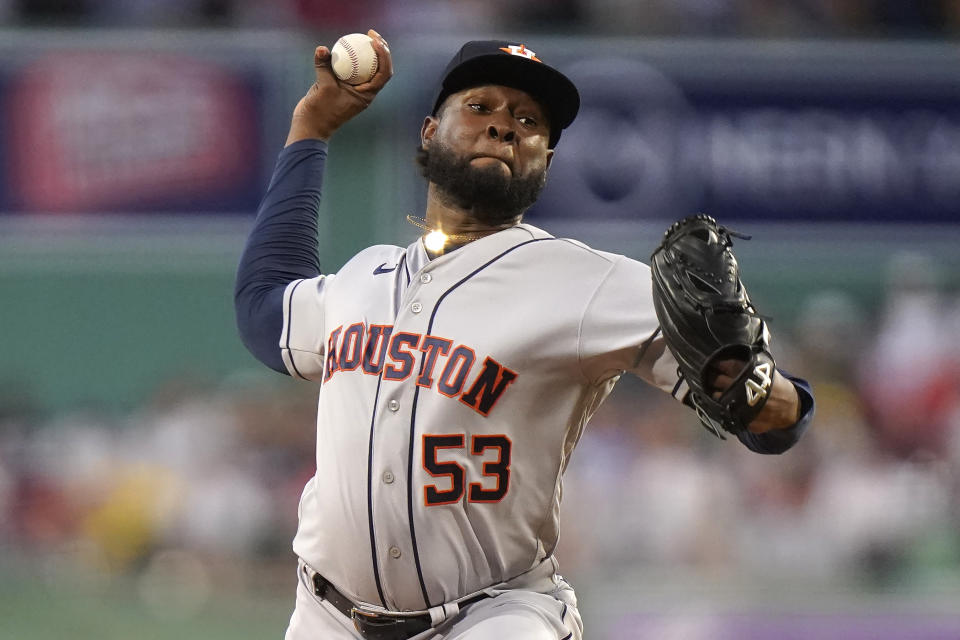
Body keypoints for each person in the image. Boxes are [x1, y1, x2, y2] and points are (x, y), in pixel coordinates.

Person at [234, 32, 815, 640]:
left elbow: (772, 408)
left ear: (546, 161)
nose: (504, 127)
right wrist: (310, 128)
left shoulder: (588, 282)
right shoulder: (363, 277)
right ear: (430, 131)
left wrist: (766, 397)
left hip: (493, 614)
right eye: (480, 107)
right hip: (328, 615)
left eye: (527, 120)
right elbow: (261, 310)